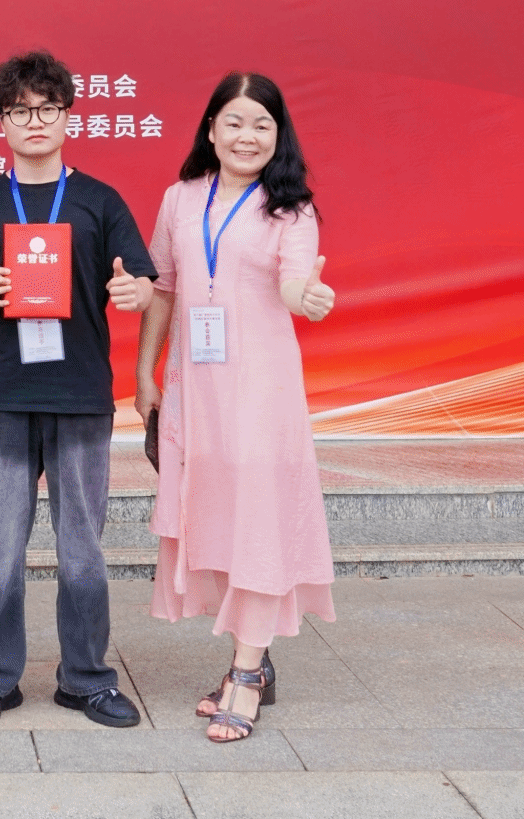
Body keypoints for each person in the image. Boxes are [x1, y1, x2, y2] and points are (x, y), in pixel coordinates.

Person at [0, 50, 157, 729]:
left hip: (81, 394)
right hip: (4, 394)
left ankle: (87, 679)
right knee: (0, 549)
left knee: (83, 548)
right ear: (1, 122)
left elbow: (142, 279)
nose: (34, 121)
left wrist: (133, 291)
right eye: (20, 110)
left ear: (68, 116)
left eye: (47, 108)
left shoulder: (101, 200)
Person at [135, 71, 336, 743]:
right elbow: (164, 288)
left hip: (260, 393)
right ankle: (255, 657)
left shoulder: (292, 211)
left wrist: (308, 298)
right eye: (235, 122)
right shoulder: (180, 199)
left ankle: (246, 674)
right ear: (212, 129)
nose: (247, 136)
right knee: (216, 520)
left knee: (257, 522)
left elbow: (295, 284)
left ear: (279, 136)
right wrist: (144, 373)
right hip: (195, 389)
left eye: (262, 125)